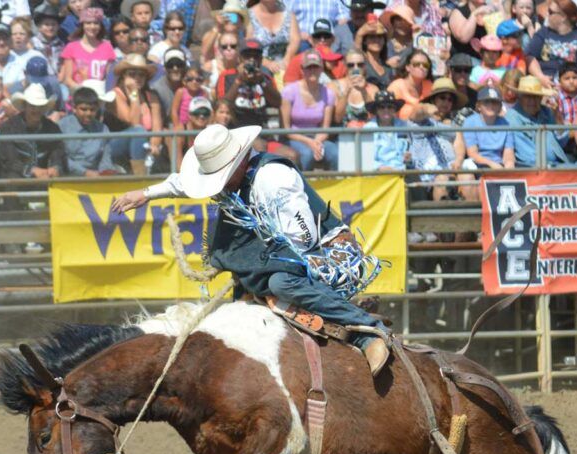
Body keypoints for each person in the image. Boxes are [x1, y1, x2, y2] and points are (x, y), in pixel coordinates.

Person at [111, 123, 392, 375]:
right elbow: (183, 182)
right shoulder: (236, 176)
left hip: (326, 253)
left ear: (240, 161)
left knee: (281, 283)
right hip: (280, 251)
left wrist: (256, 260)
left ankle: (366, 330)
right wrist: (145, 194)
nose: (216, 187)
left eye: (221, 177)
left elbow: (303, 239)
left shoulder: (274, 179)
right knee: (246, 287)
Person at [281, 49, 338, 170]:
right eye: (308, 67)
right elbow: (286, 129)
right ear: (302, 69)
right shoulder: (289, 91)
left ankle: (335, 186)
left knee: (334, 153)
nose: (312, 71)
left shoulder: (329, 93)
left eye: (316, 67)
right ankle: (302, 187)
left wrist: (316, 142)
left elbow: (325, 129)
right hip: (294, 137)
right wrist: (309, 142)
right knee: (306, 155)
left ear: (321, 69)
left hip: (318, 138)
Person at [0, 82, 65, 179]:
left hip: (45, 176)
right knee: (12, 178)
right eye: (32, 106)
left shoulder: (53, 128)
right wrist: (31, 170)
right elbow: (9, 159)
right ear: (25, 106)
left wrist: (54, 167)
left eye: (40, 106)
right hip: (17, 178)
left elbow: (58, 152)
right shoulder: (9, 127)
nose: (36, 110)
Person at [525, 0, 577, 88]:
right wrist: (541, 77)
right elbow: (530, 57)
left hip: (571, 91)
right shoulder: (543, 33)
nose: (547, 15)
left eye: (551, 12)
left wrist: (568, 85)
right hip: (542, 85)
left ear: (563, 16)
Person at [110, 52, 163, 173]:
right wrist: (134, 93)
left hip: (145, 146)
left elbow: (157, 129)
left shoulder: (151, 97)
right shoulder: (116, 94)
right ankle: (140, 175)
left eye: (141, 75)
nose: (137, 78)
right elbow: (133, 123)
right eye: (132, 74)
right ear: (124, 77)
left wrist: (154, 145)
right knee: (138, 131)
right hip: (118, 144)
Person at [504, 75, 570, 166]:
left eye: (536, 96)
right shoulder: (512, 118)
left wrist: (557, 116)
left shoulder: (546, 112)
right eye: (528, 97)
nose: (532, 101)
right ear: (519, 97)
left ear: (541, 98)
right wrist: (549, 167)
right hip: (532, 169)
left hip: (559, 164)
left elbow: (562, 142)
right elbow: (526, 153)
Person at [60, 85, 116, 176]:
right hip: (67, 178)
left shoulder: (103, 129)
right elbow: (60, 158)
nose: (88, 113)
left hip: (94, 179)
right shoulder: (62, 126)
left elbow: (105, 158)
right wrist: (85, 172)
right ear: (74, 108)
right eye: (84, 109)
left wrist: (104, 172)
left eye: (92, 110)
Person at [60, 7, 116, 89]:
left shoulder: (107, 46)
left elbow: (109, 78)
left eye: (96, 23)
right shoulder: (71, 47)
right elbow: (67, 79)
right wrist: (82, 90)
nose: (92, 27)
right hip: (78, 94)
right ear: (82, 25)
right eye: (88, 23)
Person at [462, 85, 515, 170]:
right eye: (486, 102)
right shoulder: (470, 122)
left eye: (495, 102)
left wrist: (509, 166)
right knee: (466, 176)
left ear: (500, 106)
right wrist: (492, 165)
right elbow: (472, 153)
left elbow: (508, 153)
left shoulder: (506, 124)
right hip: (477, 165)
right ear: (478, 106)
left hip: (499, 165)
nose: (491, 105)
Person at [246, 0, 300, 73]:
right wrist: (267, 63)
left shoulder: (288, 14)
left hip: (285, 62)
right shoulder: (249, 16)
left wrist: (287, 59)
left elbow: (295, 40)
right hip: (259, 64)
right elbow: (248, 47)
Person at [364, 88, 409, 170]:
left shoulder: (404, 125)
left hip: (402, 171)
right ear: (376, 110)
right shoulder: (368, 128)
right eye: (381, 107)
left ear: (395, 109)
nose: (386, 110)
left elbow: (409, 152)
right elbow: (365, 159)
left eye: (390, 107)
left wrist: (409, 158)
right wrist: (380, 168)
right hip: (377, 174)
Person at [333, 48, 379, 125]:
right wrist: (347, 91)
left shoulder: (373, 89)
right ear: (345, 65)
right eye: (351, 65)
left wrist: (364, 91)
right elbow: (337, 119)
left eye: (360, 65)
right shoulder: (334, 86)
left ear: (365, 66)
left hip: (366, 134)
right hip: (343, 134)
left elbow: (374, 116)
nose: (356, 68)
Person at [389, 48, 433, 119]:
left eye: (425, 65)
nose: (421, 67)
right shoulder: (396, 86)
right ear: (408, 67)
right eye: (416, 64)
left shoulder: (429, 85)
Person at [355, 15, 394, 89]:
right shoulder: (362, 61)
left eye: (380, 37)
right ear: (365, 41)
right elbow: (356, 50)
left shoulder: (388, 67)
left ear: (384, 41)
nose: (376, 41)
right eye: (372, 37)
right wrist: (361, 33)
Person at [149, 45, 186, 120]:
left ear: (185, 66)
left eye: (179, 64)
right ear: (164, 68)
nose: (175, 68)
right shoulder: (155, 89)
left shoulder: (192, 84)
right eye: (170, 65)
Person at [174, 95, 213, 165]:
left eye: (205, 113)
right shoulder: (181, 131)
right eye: (197, 112)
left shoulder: (210, 133)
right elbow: (177, 163)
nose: (202, 116)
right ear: (189, 114)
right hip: (165, 173)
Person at [31, 2, 64, 74]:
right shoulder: (32, 43)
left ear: (58, 26)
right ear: (39, 27)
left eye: (53, 24)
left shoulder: (61, 45)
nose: (50, 28)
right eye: (46, 24)